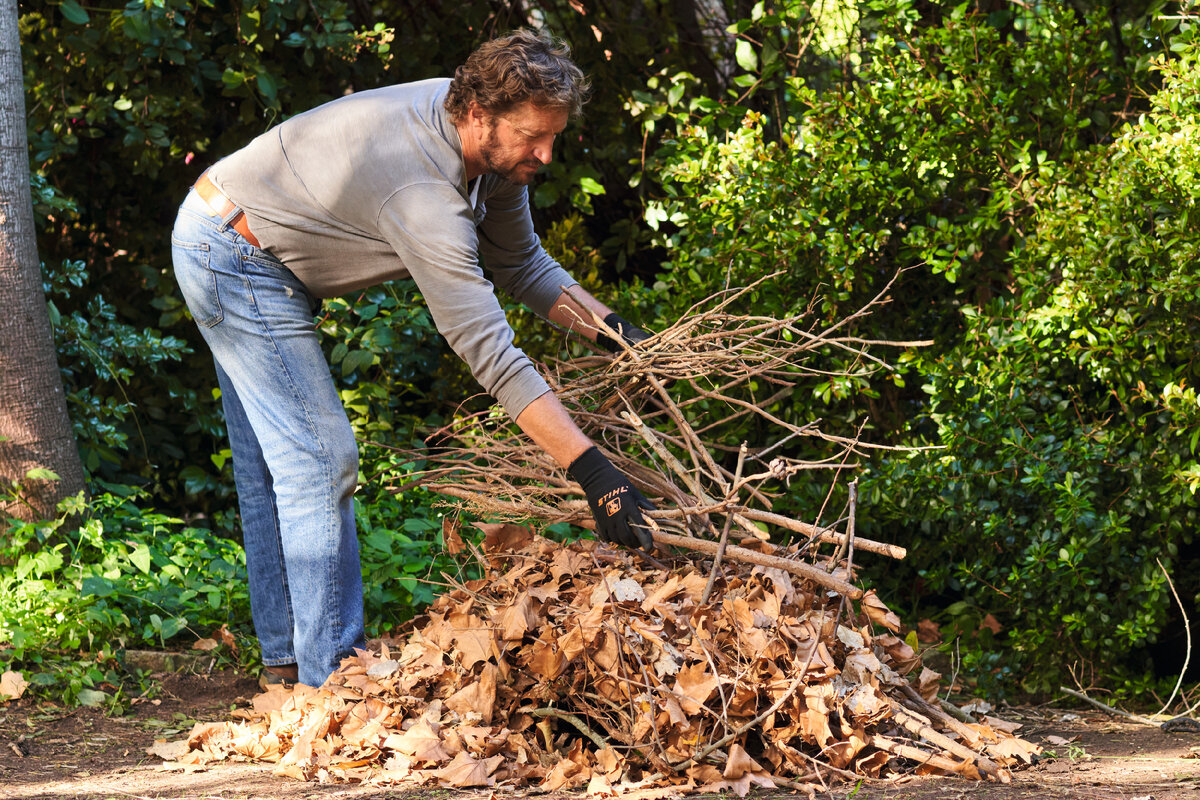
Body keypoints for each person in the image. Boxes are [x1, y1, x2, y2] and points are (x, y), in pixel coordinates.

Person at [170, 30, 655, 689]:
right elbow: (491, 353)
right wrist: (595, 473)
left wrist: (620, 336)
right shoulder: (421, 191)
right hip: (233, 255)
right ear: (480, 114)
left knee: (273, 466)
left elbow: (522, 265)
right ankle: (331, 687)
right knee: (319, 461)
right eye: (533, 136)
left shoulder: (490, 155)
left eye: (553, 136)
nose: (545, 153)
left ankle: (287, 671)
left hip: (249, 241)